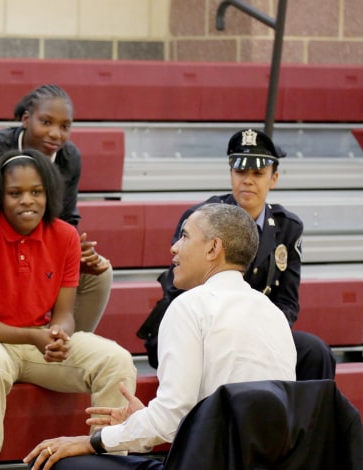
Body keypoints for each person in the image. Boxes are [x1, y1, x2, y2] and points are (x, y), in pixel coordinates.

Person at [22, 203, 297, 470]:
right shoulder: (274, 316)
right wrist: (144, 419)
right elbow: (221, 419)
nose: (174, 247)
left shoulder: (190, 307)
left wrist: (95, 441)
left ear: (213, 248)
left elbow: (169, 420)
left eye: (184, 236)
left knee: (46, 466)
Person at [0, 149, 136, 470]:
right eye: (15, 193)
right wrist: (35, 337)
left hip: (36, 337)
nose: (27, 201)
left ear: (49, 194)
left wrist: (58, 335)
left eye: (36, 192)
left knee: (117, 361)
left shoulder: (64, 235)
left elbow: (64, 315)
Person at [138, 128, 335, 381]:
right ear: (230, 173)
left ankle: (306, 421)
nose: (248, 180)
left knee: (315, 352)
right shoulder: (201, 219)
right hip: (201, 331)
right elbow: (179, 291)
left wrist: (261, 333)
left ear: (273, 179)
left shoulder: (288, 227)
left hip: (257, 332)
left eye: (258, 173)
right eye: (240, 171)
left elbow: (287, 302)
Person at [0, 84, 113, 332]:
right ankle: (8, 340)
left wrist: (74, 253)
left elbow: (66, 218)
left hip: (33, 244)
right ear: (26, 119)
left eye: (64, 126)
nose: (55, 134)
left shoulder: (69, 157)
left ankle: (64, 345)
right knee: (7, 264)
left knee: (99, 272)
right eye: (46, 122)